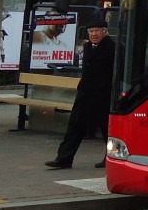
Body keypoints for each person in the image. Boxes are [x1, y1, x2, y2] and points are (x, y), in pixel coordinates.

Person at [45, 11, 115, 170]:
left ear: (105, 32)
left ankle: (111, 158)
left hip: (103, 96)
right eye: (91, 31)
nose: (94, 34)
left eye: (97, 31)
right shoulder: (87, 46)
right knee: (75, 127)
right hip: (85, 94)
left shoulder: (113, 48)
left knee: (108, 129)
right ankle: (64, 158)